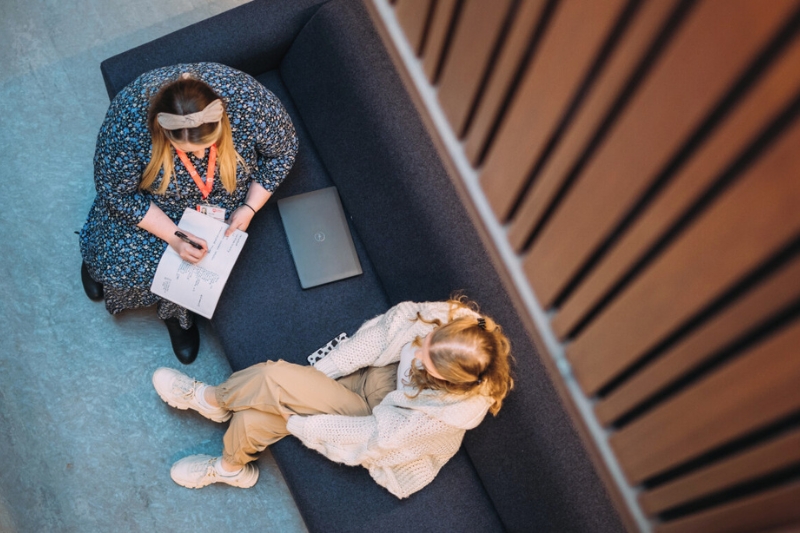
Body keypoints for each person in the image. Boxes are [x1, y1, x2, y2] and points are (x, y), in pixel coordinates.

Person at [151, 298, 514, 498]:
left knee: (273, 378)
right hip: (371, 376)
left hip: (376, 417)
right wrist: (318, 377)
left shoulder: (436, 418)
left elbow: (374, 437)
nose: (420, 352)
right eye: (429, 344)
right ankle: (232, 469)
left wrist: (302, 422)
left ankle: (212, 400)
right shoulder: (450, 323)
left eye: (430, 362)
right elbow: (376, 338)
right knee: (268, 403)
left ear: (449, 381)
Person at [80, 63, 297, 364]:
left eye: (206, 146)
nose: (197, 156)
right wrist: (175, 236)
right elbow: (117, 191)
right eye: (185, 149)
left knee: (197, 268)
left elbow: (283, 151)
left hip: (223, 193)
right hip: (154, 200)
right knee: (120, 264)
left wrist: (249, 207)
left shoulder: (248, 102)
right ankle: (94, 260)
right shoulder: (129, 120)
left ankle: (176, 316)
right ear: (161, 132)